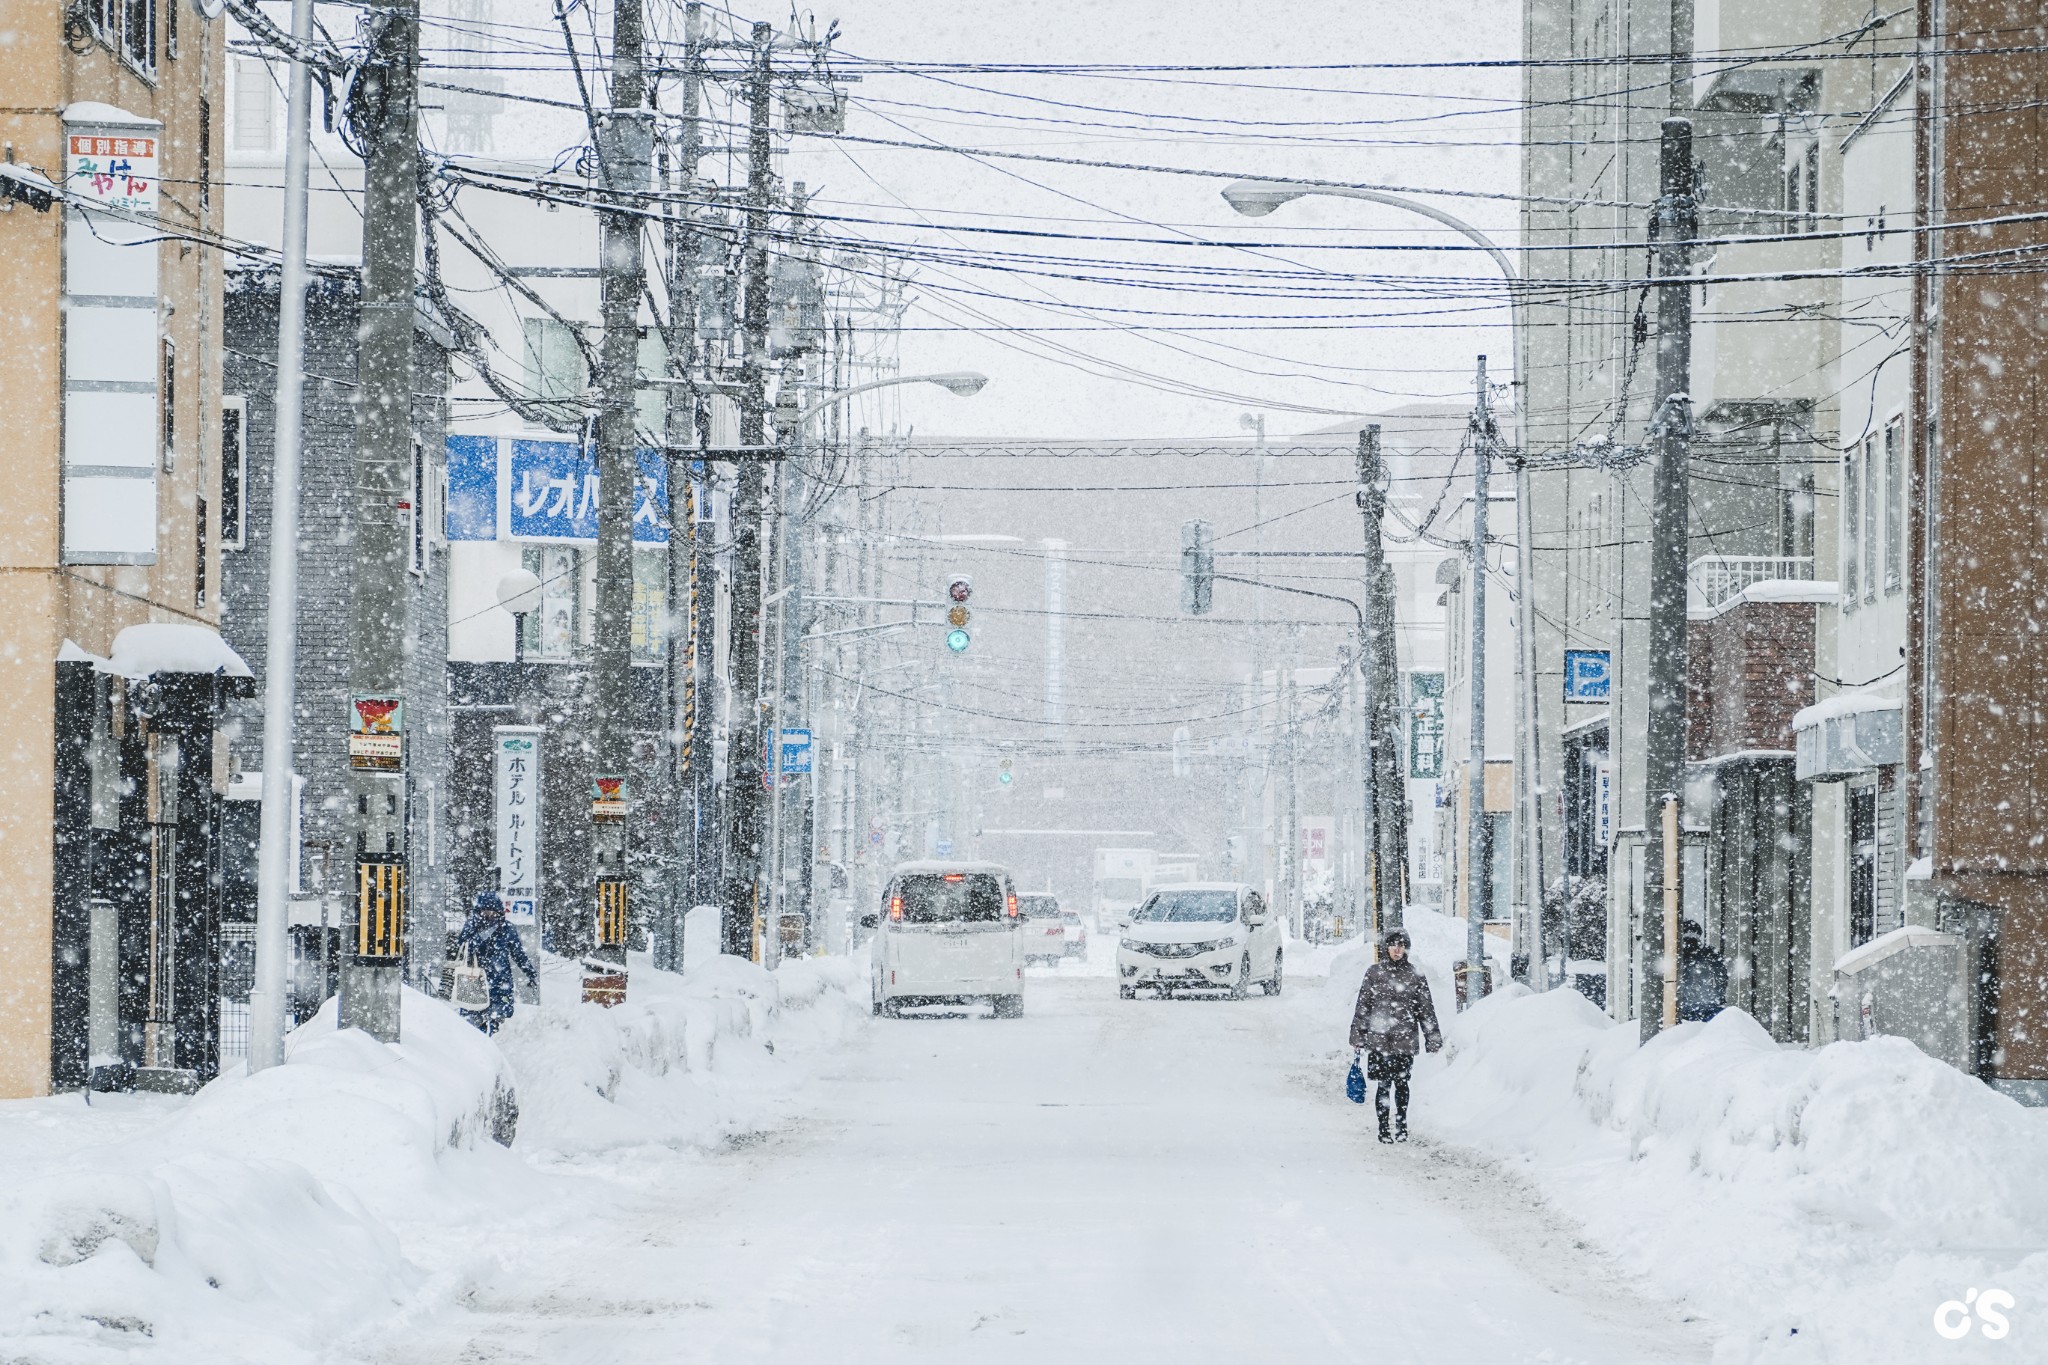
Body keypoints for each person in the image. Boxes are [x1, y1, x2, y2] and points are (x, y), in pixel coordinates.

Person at [1349, 928, 1443, 1144]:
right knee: (1383, 1084)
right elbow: (1363, 1007)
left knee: (1401, 1084)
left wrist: (1433, 1038)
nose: (1397, 949)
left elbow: (1426, 1010)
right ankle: (1383, 1128)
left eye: (1401, 945)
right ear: (1386, 948)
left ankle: (1401, 1125)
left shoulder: (1414, 975)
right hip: (1379, 1040)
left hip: (1404, 1041)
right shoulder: (1374, 973)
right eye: (1393, 945)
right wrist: (1358, 1038)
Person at [452, 891, 538, 1034]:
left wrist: (530, 972)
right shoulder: (471, 926)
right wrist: (481, 936)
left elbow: (518, 954)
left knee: (497, 1023)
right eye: (485, 912)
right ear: (478, 911)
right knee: (472, 1027)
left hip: (499, 982)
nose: (489, 916)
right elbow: (463, 948)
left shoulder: (507, 928)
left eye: (492, 912)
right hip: (474, 981)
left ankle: (493, 1049)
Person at [1676, 920, 1728, 1023]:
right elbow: (1722, 978)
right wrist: (1718, 997)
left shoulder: (1676, 956)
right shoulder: (1710, 954)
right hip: (1709, 1004)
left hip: (1683, 1007)